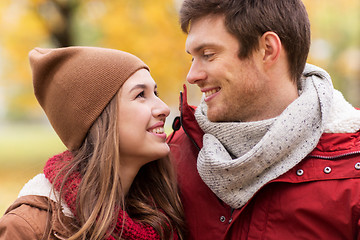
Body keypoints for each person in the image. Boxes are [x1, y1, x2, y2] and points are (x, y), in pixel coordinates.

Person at [168, 0, 360, 239]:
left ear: (267, 50)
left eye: (208, 55)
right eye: (192, 58)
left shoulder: (353, 171)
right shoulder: (174, 154)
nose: (192, 76)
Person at [0, 46, 186, 240]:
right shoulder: (28, 228)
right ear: (99, 119)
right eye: (140, 95)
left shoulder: (163, 211)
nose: (163, 108)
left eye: (156, 93)